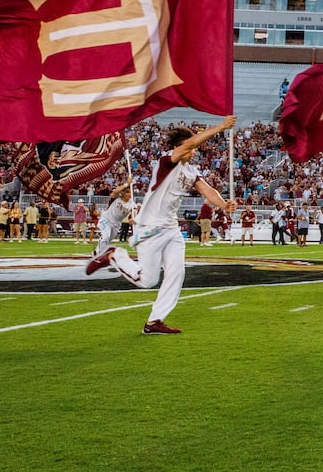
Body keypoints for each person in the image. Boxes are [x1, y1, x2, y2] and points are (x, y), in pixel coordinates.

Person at [87, 116, 236, 335]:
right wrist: (221, 127)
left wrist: (224, 204)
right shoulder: (167, 160)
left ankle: (154, 321)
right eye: (190, 145)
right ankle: (113, 255)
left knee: (177, 272)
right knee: (148, 280)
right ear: (179, 147)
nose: (194, 150)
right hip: (150, 227)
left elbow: (207, 190)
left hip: (171, 228)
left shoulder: (191, 171)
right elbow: (191, 144)